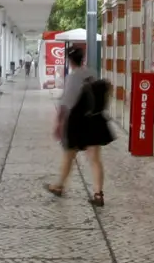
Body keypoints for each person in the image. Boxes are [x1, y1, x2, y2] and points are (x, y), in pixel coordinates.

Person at [45, 48, 114, 206]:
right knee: (95, 159)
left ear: (70, 61)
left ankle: (59, 186)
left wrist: (58, 122)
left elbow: (66, 104)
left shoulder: (72, 78)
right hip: (95, 121)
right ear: (83, 59)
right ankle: (98, 194)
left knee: (69, 155)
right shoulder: (92, 73)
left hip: (77, 123)